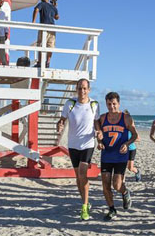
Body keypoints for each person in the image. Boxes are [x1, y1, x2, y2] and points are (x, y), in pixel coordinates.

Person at [57, 78, 100, 221]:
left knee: (83, 174)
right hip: (73, 145)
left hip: (88, 144)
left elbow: (97, 123)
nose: (82, 91)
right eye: (80, 88)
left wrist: (99, 135)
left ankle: (84, 206)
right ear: (76, 89)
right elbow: (62, 119)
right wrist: (60, 125)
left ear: (89, 90)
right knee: (78, 177)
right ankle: (85, 202)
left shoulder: (94, 105)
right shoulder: (70, 104)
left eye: (85, 88)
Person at [95, 92, 138, 221]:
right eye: (109, 104)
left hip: (120, 157)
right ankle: (112, 209)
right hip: (106, 156)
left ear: (119, 104)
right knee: (105, 185)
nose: (112, 106)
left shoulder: (126, 118)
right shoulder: (102, 118)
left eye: (114, 104)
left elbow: (135, 135)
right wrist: (99, 141)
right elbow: (96, 123)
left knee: (117, 185)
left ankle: (125, 192)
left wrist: (127, 143)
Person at [32, 0, 59, 68]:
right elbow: (57, 17)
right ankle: (48, 62)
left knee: (41, 44)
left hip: (44, 26)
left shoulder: (42, 4)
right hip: (52, 27)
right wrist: (54, 6)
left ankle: (40, 62)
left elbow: (36, 9)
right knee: (50, 45)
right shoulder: (53, 7)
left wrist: (33, 21)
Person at [125, 110, 141, 182]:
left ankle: (137, 171)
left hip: (131, 149)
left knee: (130, 168)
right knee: (122, 167)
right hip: (124, 149)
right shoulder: (122, 128)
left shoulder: (132, 128)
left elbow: (138, 139)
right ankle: (122, 182)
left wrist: (129, 141)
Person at [0, 0, 8, 66]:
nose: (2, 3)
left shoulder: (3, 12)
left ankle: (4, 63)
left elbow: (5, 23)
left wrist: (6, 32)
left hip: (2, 33)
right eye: (1, 1)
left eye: (3, 2)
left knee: (2, 50)